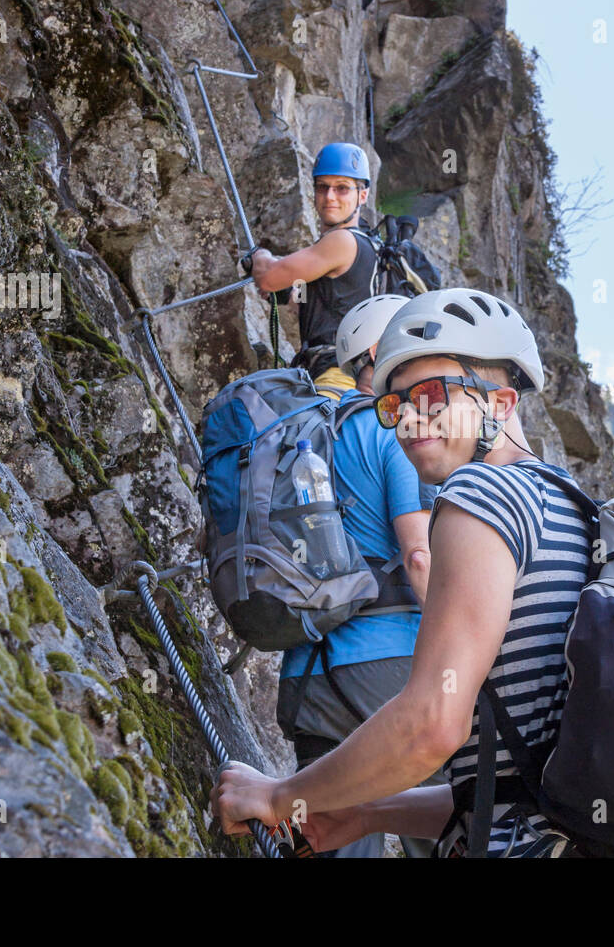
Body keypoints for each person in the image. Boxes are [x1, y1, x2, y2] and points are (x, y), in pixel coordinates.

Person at [212, 288, 593, 857]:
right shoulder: (572, 504)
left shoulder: (479, 495)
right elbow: (509, 789)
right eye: (396, 405)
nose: (411, 419)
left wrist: (280, 797)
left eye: (433, 396)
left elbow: (432, 726)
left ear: (501, 403)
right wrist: (367, 815)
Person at [274, 293, 441, 857]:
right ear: (381, 353)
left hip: (307, 672)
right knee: (444, 824)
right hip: (389, 673)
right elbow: (419, 558)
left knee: (333, 837)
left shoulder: (305, 435)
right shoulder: (398, 434)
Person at [248, 142, 379, 399]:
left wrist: (259, 256)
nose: (330, 196)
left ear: (362, 195)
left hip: (337, 377)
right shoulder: (369, 247)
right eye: (323, 187)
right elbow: (326, 304)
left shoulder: (342, 241)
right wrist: (289, 294)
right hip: (351, 377)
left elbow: (268, 278)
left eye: (342, 188)